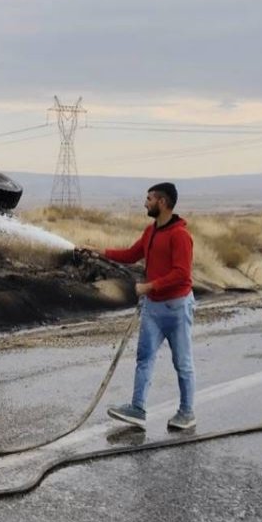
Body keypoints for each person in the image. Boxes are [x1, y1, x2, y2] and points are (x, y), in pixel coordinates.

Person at [79, 182, 196, 431]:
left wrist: (149, 286)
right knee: (144, 358)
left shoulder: (180, 235)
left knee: (182, 363)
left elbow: (182, 275)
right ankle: (138, 408)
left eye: (149, 198)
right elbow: (131, 254)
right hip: (153, 309)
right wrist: (98, 251)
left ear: (162, 202)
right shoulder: (151, 231)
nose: (145, 203)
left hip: (176, 307)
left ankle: (187, 413)